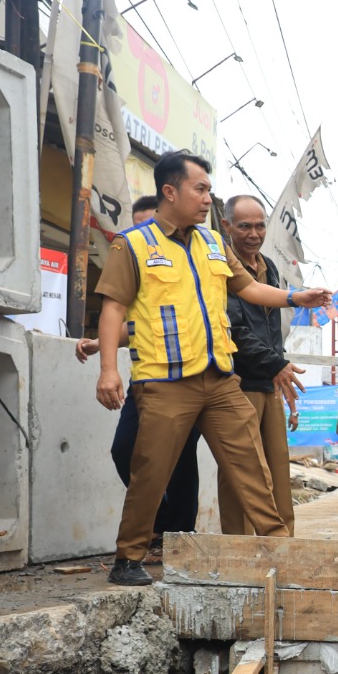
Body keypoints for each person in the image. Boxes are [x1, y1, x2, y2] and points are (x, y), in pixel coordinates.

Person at [93, 151, 330, 585]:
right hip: (164, 381)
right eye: (199, 189)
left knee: (251, 466)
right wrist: (108, 369)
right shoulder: (134, 245)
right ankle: (129, 557)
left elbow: (252, 288)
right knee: (151, 470)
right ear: (171, 191)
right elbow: (112, 309)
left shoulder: (213, 245)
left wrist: (298, 298)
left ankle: (280, 549)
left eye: (208, 190)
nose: (207, 199)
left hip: (220, 379)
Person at [77, 194, 203, 561]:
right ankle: (162, 526)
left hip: (187, 376)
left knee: (180, 459)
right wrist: (104, 345)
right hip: (145, 378)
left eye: (151, 224)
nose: (146, 233)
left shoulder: (182, 265)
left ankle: (178, 537)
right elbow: (129, 320)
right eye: (139, 225)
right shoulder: (133, 260)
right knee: (125, 450)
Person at [219, 194, 304, 537]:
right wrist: (275, 364)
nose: (254, 233)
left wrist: (277, 368)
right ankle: (238, 547)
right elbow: (234, 329)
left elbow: (273, 328)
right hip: (238, 384)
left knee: (278, 469)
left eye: (259, 225)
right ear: (226, 227)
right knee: (240, 471)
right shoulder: (222, 266)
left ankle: (285, 544)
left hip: (270, 382)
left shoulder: (268, 265)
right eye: (244, 226)